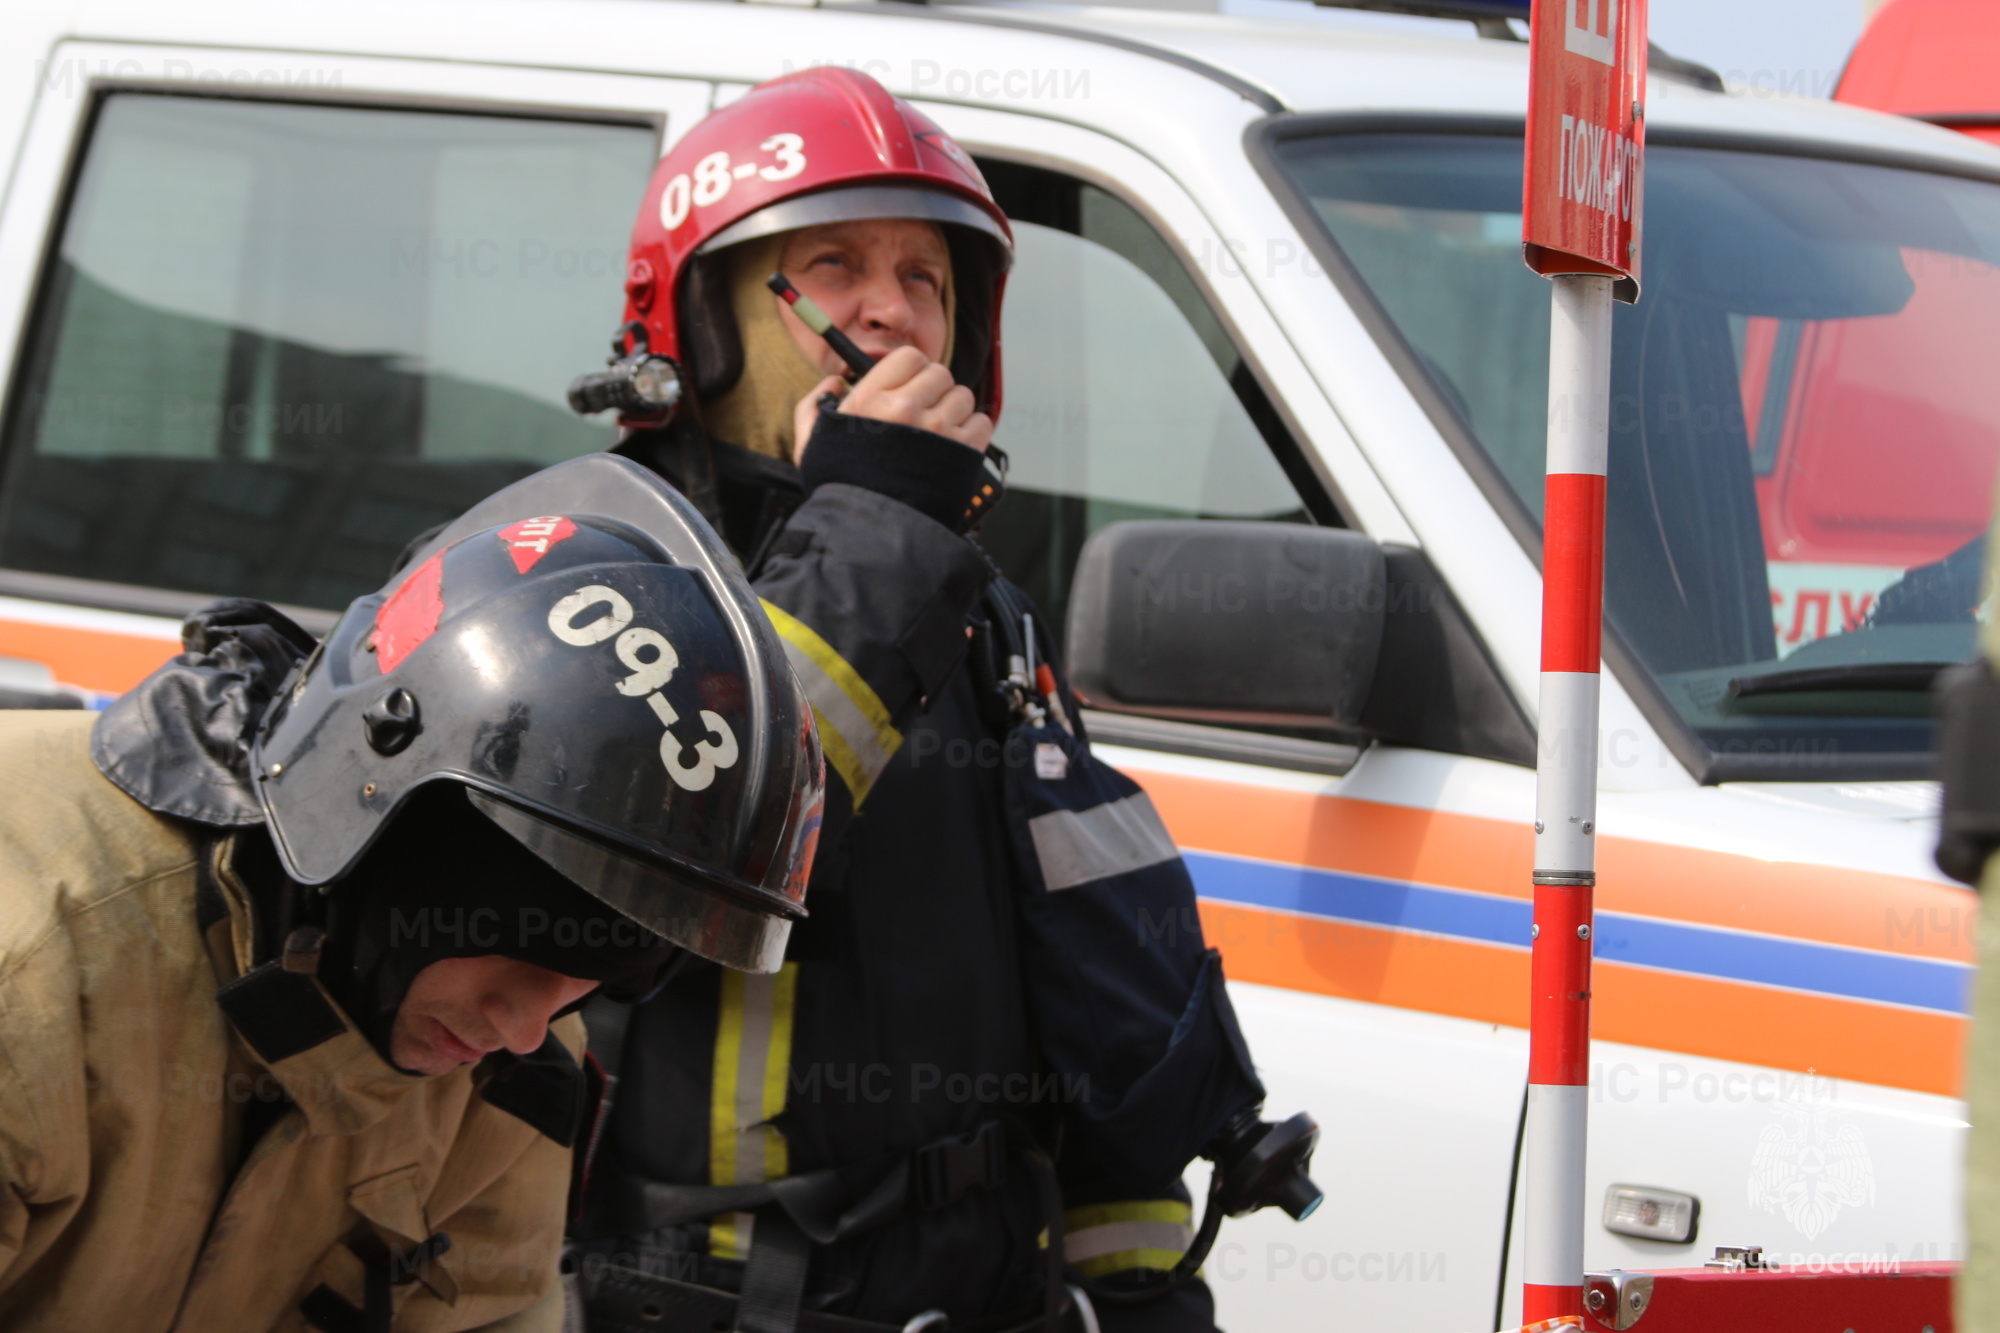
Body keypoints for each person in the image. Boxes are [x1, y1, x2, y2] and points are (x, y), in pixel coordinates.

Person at [565, 68, 1312, 1333]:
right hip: (716, 1302)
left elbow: (1079, 981)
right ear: (702, 317)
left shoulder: (972, 609)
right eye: (835, 266)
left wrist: (1131, 1283)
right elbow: (713, 825)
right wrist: (880, 520)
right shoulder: (596, 565)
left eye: (926, 279)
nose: (892, 315)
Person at [0, 456, 822, 1333]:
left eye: (594, 978)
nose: (522, 1028)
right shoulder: (35, 961)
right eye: (519, 951)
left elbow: (493, 1315)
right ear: (386, 834)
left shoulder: (510, 1069)